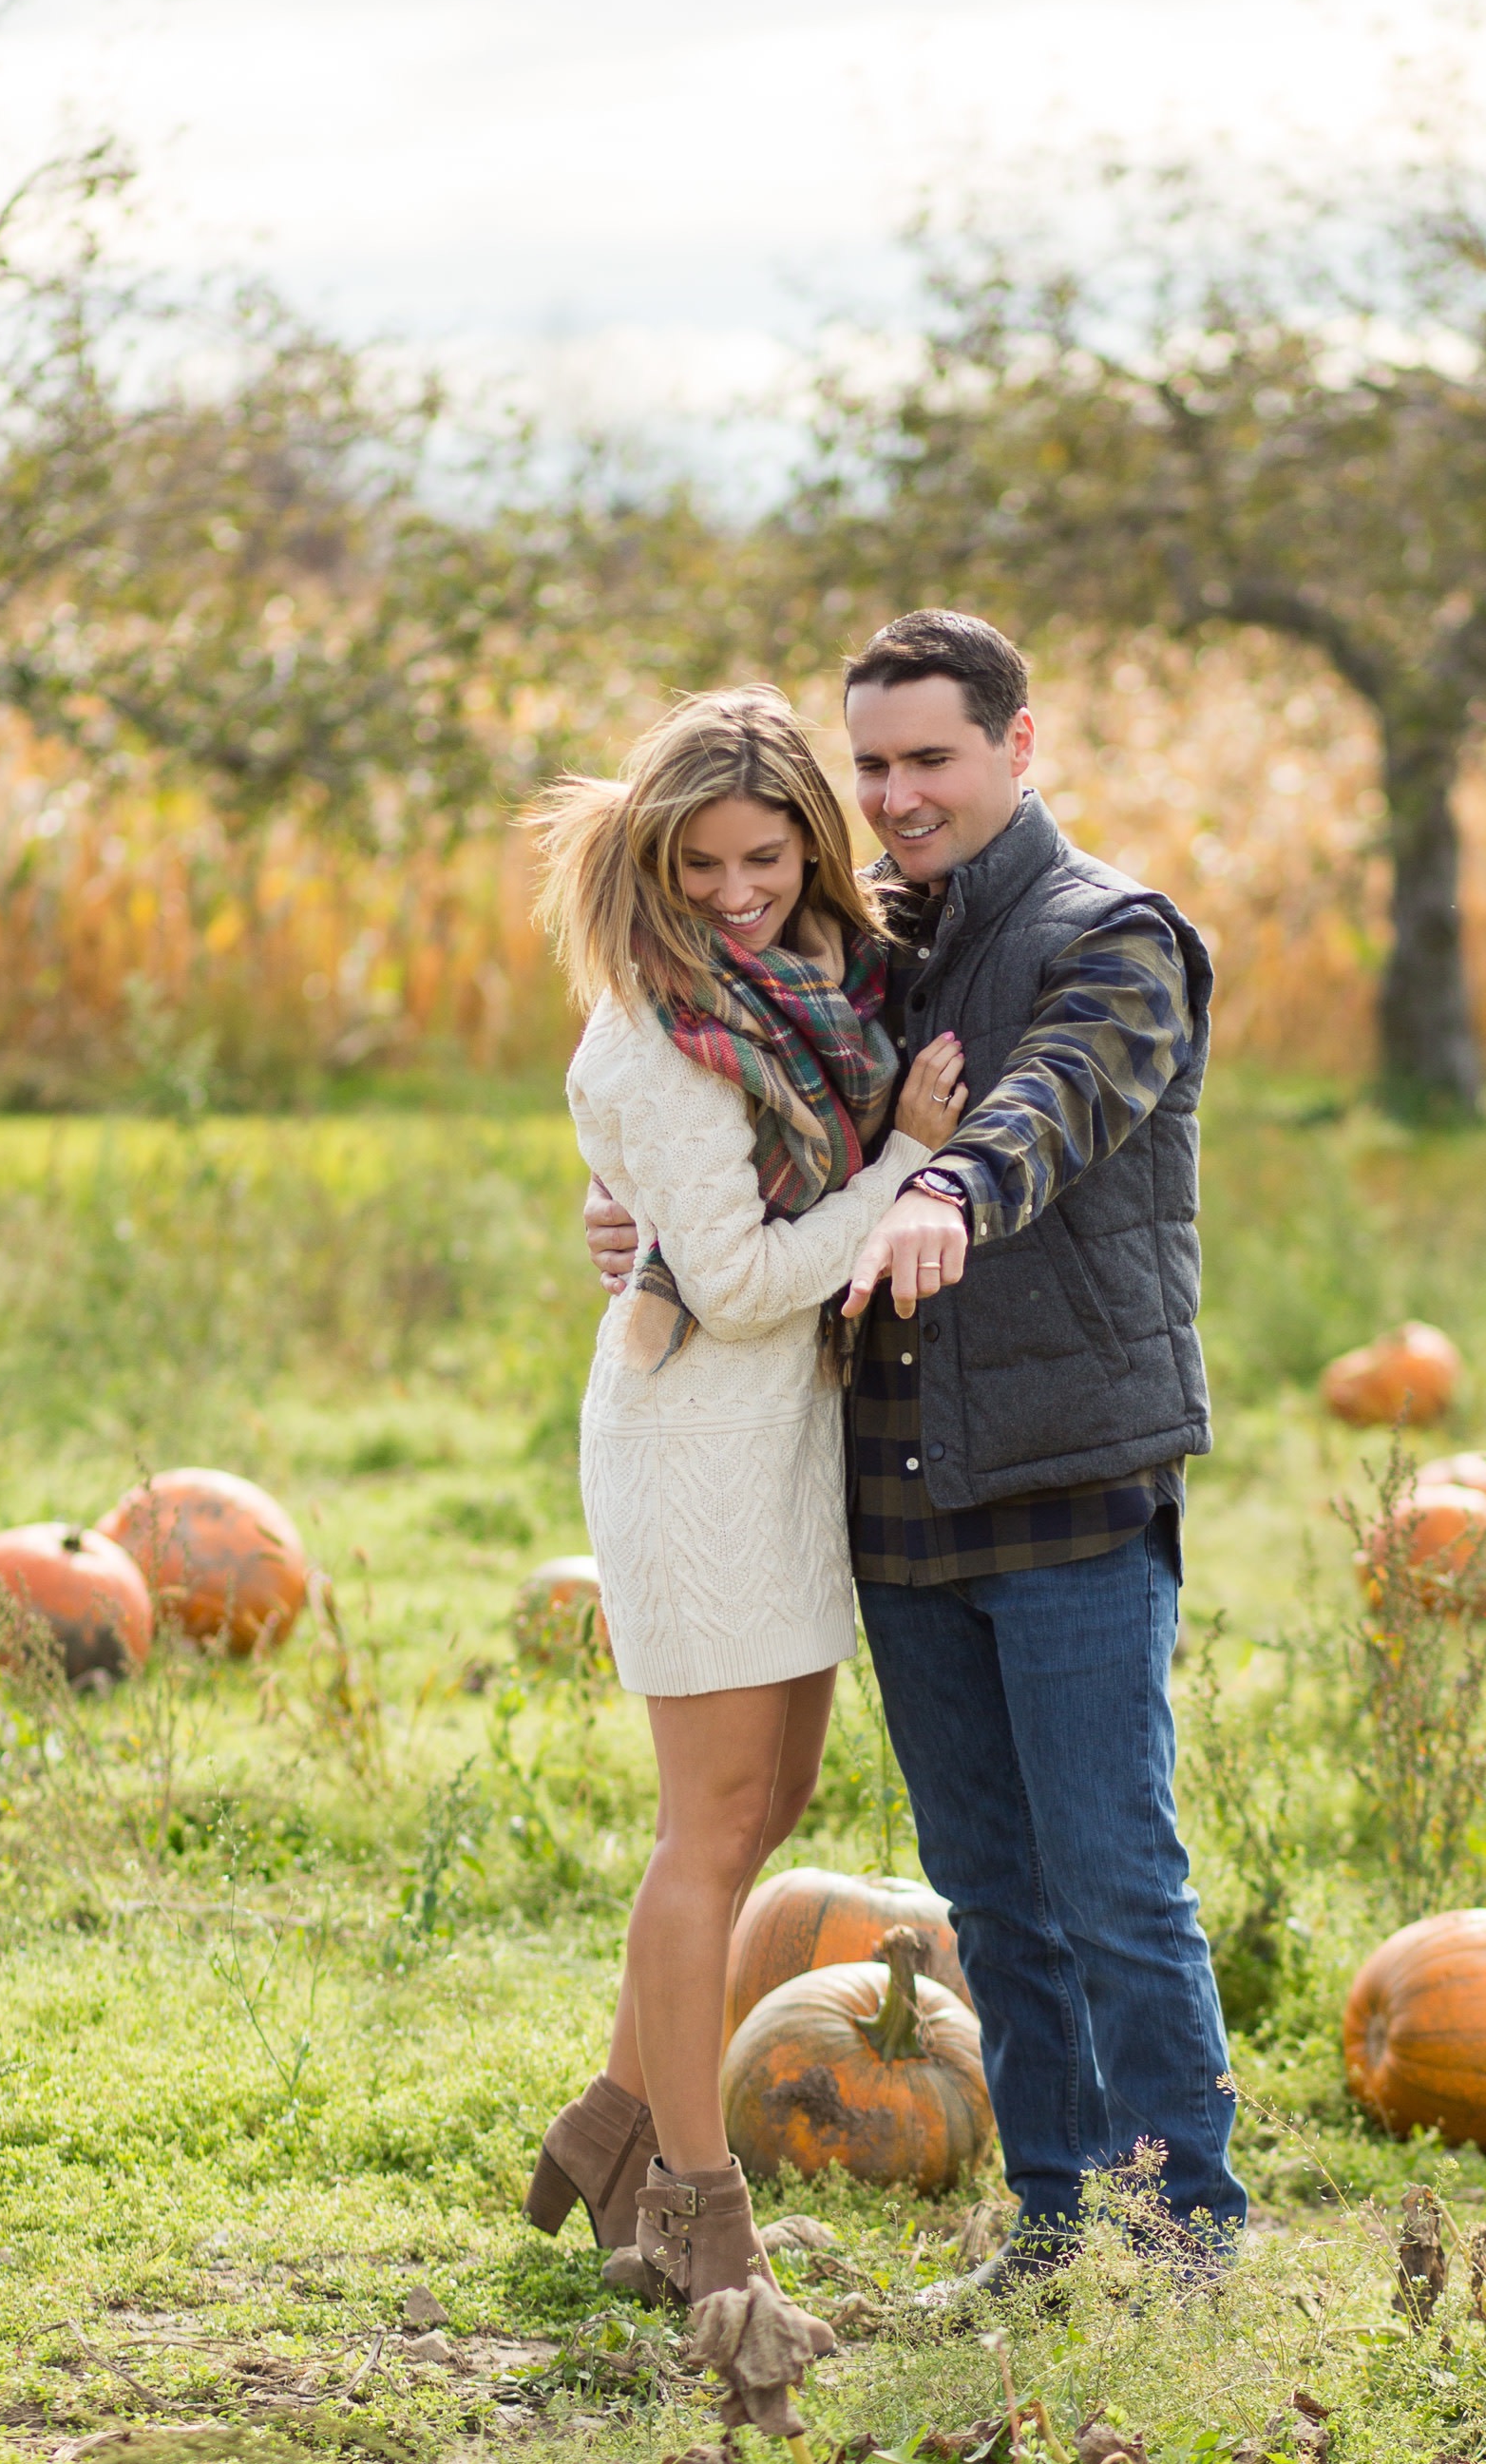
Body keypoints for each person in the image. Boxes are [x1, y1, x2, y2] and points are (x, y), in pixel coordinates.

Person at [587, 613, 1243, 2289]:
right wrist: (644, 1223)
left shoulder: (1116, 938)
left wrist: (947, 1181)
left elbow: (1057, 1097)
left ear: (1018, 746)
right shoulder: (862, 945)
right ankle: (1054, 2224)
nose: (898, 795)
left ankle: (1189, 2239)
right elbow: (744, 1125)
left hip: (1066, 1475)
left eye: (932, 758)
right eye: (872, 765)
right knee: (990, 1890)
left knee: (1114, 1880)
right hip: (894, 1490)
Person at [525, 685, 965, 2305]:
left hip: (782, 1442)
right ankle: (701, 2210)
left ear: (810, 850)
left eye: (764, 860)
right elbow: (744, 1279)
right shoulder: (657, 1032)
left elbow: (718, 1211)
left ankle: (616, 2123)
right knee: (707, 1830)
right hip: (693, 1448)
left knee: (769, 1804)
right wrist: (906, 1167)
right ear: (653, 861)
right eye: (699, 865)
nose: (732, 893)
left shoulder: (809, 992)